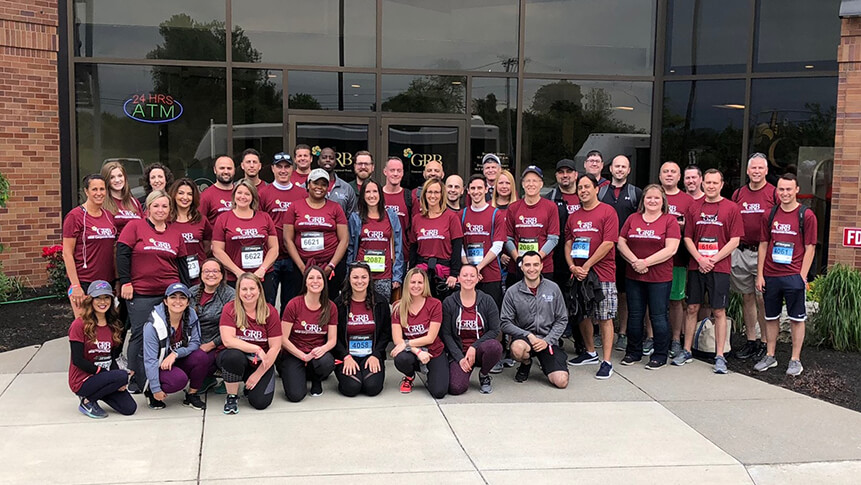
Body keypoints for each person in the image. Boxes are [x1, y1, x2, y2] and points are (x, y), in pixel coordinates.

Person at [117, 189, 189, 393]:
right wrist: (125, 282)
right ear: (148, 208)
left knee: (169, 335)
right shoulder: (135, 226)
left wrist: (186, 292)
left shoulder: (175, 233)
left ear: (170, 209)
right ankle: (134, 377)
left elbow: (182, 264)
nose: (160, 209)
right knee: (139, 334)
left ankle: (162, 375)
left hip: (169, 294)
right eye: (156, 205)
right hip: (141, 293)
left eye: (165, 206)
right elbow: (122, 255)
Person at [674, 169, 743, 374]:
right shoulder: (694, 207)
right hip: (697, 265)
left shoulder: (731, 208)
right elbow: (687, 237)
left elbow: (735, 240)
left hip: (719, 266)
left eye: (715, 183)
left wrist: (714, 259)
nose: (711, 186)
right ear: (702, 184)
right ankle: (686, 350)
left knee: (719, 310)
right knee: (692, 307)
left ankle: (720, 355)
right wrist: (700, 259)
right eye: (708, 183)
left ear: (722, 185)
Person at [755, 173, 817, 376]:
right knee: (771, 316)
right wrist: (760, 274)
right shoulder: (770, 214)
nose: (785, 193)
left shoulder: (806, 215)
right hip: (771, 275)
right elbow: (763, 244)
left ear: (797, 190)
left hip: (793, 276)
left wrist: (802, 275)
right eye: (781, 189)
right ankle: (770, 356)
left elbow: (810, 247)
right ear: (776, 191)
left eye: (789, 189)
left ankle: (795, 359)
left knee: (796, 318)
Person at [616, 184, 681, 369]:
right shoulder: (632, 218)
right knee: (635, 316)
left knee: (658, 316)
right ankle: (633, 352)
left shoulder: (669, 221)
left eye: (656, 198)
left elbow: (671, 249)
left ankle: (660, 355)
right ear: (643, 200)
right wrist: (635, 261)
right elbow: (621, 242)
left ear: (663, 201)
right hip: (633, 276)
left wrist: (646, 263)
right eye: (648, 198)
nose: (652, 201)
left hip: (659, 278)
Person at [564, 174, 620, 379]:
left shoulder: (608, 212)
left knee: (604, 316)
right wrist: (572, 266)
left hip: (601, 273)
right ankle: (590, 352)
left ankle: (606, 361)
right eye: (580, 188)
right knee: (582, 314)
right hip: (579, 273)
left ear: (596, 189)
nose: (583, 190)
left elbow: (608, 243)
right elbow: (568, 242)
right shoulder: (574, 216)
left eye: (587, 186)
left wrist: (587, 265)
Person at [732, 153, 778, 361]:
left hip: (764, 253)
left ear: (766, 171)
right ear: (747, 171)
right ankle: (751, 340)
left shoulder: (774, 194)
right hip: (741, 251)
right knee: (747, 297)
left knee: (762, 298)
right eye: (753, 168)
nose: (757, 171)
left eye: (761, 168)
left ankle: (766, 344)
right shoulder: (739, 194)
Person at [500, 251, 569, 388]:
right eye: (528, 265)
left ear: (542, 266)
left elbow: (562, 319)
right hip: (525, 339)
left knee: (561, 382)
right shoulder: (512, 292)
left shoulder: (553, 288)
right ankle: (526, 364)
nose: (532, 269)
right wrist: (528, 335)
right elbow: (505, 322)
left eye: (536, 265)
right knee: (517, 349)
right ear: (522, 267)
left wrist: (547, 340)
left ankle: (549, 363)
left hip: (548, 340)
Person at [68, 280, 136, 418]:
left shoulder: (113, 325)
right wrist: (106, 374)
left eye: (106, 297)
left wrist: (117, 380)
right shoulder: (79, 324)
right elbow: (77, 360)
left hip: (104, 378)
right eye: (97, 298)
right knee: (122, 375)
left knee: (129, 408)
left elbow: (111, 357)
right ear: (90, 300)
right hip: (83, 380)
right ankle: (87, 400)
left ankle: (98, 393)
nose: (102, 301)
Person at [218, 272, 282, 413]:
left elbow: (275, 347)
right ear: (238, 291)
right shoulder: (230, 309)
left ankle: (250, 387)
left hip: (260, 363)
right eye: (244, 289)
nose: (248, 293)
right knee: (232, 356)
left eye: (252, 289)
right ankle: (232, 396)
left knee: (260, 403)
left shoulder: (270, 312)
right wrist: (256, 348)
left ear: (259, 290)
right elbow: (228, 341)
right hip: (238, 359)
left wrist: (258, 374)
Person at [284, 168, 349, 300]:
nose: (319, 187)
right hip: (301, 266)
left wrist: (331, 265)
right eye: (315, 183)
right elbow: (287, 239)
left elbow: (344, 240)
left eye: (323, 184)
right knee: (302, 302)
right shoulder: (294, 207)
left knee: (330, 302)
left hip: (329, 266)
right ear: (308, 185)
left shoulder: (335, 207)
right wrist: (302, 267)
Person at [142, 282, 209, 410]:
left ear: (188, 302)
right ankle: (151, 391)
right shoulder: (153, 325)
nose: (178, 301)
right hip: (159, 365)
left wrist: (176, 353)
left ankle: (191, 395)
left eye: (182, 297)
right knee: (178, 381)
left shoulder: (190, 315)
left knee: (201, 357)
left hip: (176, 359)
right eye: (173, 297)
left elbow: (195, 343)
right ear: (165, 301)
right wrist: (156, 388)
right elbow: (150, 360)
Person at [599, 155, 642, 352]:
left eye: (624, 167)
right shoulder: (601, 192)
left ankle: (622, 333)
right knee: (599, 292)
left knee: (624, 294)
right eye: (617, 166)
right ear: (611, 168)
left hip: (626, 251)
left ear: (629, 170)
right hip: (603, 252)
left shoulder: (636, 193)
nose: (620, 169)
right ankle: (600, 332)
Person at [211, 179, 279, 301]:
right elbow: (217, 250)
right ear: (234, 195)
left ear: (253, 197)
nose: (243, 197)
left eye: (247, 194)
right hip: (233, 278)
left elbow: (274, 248)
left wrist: (263, 269)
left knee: (264, 313)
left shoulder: (265, 217)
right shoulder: (223, 219)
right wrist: (238, 272)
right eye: (239, 193)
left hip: (262, 277)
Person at [278, 266, 338, 401]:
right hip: (295, 353)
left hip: (316, 354)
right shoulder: (294, 304)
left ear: (324, 282)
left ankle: (317, 379)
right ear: (305, 282)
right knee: (295, 396)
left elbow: (332, 340)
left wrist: (322, 349)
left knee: (327, 362)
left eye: (319, 278)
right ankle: (297, 373)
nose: (315, 281)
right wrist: (303, 356)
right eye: (311, 278)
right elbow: (283, 339)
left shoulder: (331, 307)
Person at [333, 262, 392, 397]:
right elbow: (334, 336)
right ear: (349, 279)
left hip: (371, 355)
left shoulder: (380, 303)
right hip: (347, 356)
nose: (360, 281)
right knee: (352, 388)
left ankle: (364, 371)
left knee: (372, 388)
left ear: (369, 278)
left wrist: (376, 354)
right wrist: (345, 356)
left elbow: (385, 333)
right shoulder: (339, 304)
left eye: (364, 277)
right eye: (355, 277)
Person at [442, 265, 502, 395]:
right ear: (458, 278)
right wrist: (459, 358)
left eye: (472, 275)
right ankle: (464, 368)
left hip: (480, 349)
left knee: (494, 346)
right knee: (456, 388)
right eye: (464, 275)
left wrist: (474, 347)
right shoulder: (449, 302)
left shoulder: (487, 300)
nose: (468, 279)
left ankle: (484, 375)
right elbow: (446, 334)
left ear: (478, 278)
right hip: (460, 351)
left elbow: (494, 330)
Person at [63, 174, 117, 317]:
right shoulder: (75, 216)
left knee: (106, 326)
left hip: (107, 282)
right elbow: (67, 253)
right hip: (84, 281)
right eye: (94, 189)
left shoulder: (109, 216)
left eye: (102, 189)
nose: (99, 193)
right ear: (86, 191)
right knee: (84, 327)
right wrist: (75, 285)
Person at [259, 152, 306, 310]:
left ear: (292, 169)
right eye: (279, 167)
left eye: (287, 166)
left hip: (294, 256)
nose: (283, 170)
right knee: (268, 302)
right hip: (271, 257)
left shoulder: (302, 194)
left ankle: (287, 334)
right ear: (272, 168)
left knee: (291, 303)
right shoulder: (264, 193)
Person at [391, 268, 448, 398]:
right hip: (413, 353)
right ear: (407, 284)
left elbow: (430, 338)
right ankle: (409, 376)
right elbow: (397, 340)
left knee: (439, 392)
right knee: (401, 358)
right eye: (412, 282)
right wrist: (417, 351)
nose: (416, 286)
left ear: (425, 284)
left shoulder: (435, 304)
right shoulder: (398, 307)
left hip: (434, 351)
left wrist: (406, 344)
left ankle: (432, 373)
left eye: (420, 282)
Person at [346, 178, 405, 302]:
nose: (371, 195)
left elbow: (398, 247)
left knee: (381, 313)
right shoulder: (355, 218)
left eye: (375, 191)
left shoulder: (391, 216)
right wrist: (349, 274)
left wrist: (397, 276)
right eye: (367, 192)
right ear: (362, 195)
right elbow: (351, 248)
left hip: (385, 275)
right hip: (360, 276)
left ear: (380, 194)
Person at [504, 165, 559, 287]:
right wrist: (518, 258)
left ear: (541, 184)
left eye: (535, 180)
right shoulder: (513, 208)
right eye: (527, 181)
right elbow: (508, 238)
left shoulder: (551, 207)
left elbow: (553, 239)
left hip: (544, 267)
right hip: (518, 267)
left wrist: (536, 259)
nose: (531, 184)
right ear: (523, 184)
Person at [409, 178, 464, 299]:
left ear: (442, 195)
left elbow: (457, 247)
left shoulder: (451, 217)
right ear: (424, 194)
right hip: (422, 273)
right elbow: (413, 248)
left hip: (444, 274)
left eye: (436, 192)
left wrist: (454, 274)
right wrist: (412, 273)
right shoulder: (417, 219)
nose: (432, 196)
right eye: (429, 192)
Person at [662, 161, 695, 358]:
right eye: (665, 171)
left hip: (679, 259)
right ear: (659, 176)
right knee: (654, 303)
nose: (669, 175)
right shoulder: (652, 195)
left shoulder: (687, 201)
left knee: (676, 301)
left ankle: (675, 339)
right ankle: (652, 337)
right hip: (653, 259)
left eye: (673, 171)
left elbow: (692, 230)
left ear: (679, 176)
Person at [460, 175, 505, 308]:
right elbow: (459, 245)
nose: (476, 191)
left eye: (479, 188)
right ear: (468, 191)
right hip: (468, 276)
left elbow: (498, 245)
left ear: (486, 189)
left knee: (491, 314)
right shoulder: (461, 215)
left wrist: (478, 268)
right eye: (472, 188)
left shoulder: (495, 214)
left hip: (491, 274)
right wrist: (469, 268)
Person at [191, 258, 235, 392]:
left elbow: (234, 328)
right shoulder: (190, 293)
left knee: (227, 357)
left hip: (220, 344)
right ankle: (206, 378)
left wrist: (210, 345)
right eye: (207, 271)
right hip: (195, 342)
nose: (211, 274)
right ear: (201, 275)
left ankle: (229, 379)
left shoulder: (230, 295)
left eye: (215, 271)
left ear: (222, 275)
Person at [169, 178, 211, 287]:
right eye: (181, 193)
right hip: (174, 274)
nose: (185, 197)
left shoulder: (202, 220)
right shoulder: (166, 220)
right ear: (174, 195)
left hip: (198, 276)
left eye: (189, 194)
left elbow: (207, 245)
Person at [100, 161, 142, 234]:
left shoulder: (134, 202)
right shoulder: (102, 203)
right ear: (106, 180)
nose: (117, 180)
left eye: (120, 176)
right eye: (112, 177)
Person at [318, 147, 357, 215]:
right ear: (318, 161)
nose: (328, 160)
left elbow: (351, 216)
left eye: (331, 158)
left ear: (336, 162)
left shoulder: (347, 188)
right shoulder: (308, 186)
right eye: (324, 157)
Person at [199, 155, 236, 225]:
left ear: (234, 170)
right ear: (215, 170)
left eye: (229, 168)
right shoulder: (206, 196)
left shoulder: (241, 194)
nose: (226, 171)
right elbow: (200, 224)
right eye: (222, 168)